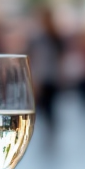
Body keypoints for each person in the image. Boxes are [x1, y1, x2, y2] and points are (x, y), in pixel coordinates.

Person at [28, 7, 64, 141]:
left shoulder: (54, 37)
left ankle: (51, 128)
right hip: (42, 77)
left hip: (50, 76)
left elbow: (60, 58)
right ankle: (49, 128)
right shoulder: (37, 38)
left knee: (50, 104)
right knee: (45, 105)